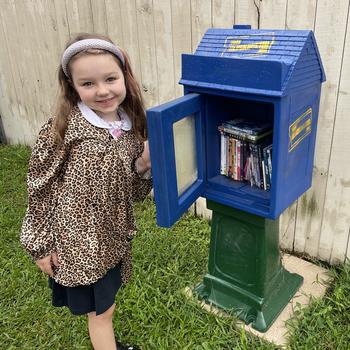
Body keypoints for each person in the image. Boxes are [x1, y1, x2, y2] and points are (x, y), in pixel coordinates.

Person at [20, 33, 152, 350]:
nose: (103, 90)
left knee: (105, 307)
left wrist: (143, 164)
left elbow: (131, 192)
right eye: (88, 83)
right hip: (79, 243)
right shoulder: (64, 129)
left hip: (112, 238)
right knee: (102, 313)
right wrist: (39, 245)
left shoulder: (132, 127)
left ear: (125, 76)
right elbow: (40, 188)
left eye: (110, 78)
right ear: (73, 86)